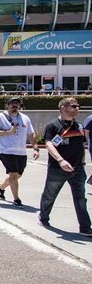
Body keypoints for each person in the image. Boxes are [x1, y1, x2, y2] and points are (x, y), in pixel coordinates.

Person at [38, 98, 91, 236]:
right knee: (50, 195)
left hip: (77, 169)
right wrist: (61, 160)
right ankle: (43, 218)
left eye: (78, 106)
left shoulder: (78, 126)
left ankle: (85, 228)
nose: (77, 109)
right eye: (73, 106)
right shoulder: (53, 126)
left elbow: (82, 146)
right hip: (58, 168)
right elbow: (49, 145)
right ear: (63, 107)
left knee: (80, 198)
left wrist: (83, 163)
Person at [0, 97, 38, 207]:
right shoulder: (0, 117)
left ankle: (0, 188)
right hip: (5, 150)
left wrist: (35, 148)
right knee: (13, 175)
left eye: (17, 104)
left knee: (17, 176)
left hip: (21, 152)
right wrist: (8, 132)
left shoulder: (25, 118)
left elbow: (31, 134)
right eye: (12, 104)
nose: (14, 106)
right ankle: (16, 199)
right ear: (7, 105)